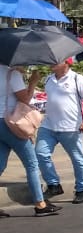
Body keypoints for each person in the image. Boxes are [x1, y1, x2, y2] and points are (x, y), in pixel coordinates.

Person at [0, 63, 62, 217]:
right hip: (11, 123)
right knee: (32, 163)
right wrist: (33, 81)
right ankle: (40, 204)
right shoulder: (12, 74)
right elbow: (25, 99)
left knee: (0, 164)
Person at [34, 57, 83, 204]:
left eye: (56, 61)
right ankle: (53, 184)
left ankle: (81, 189)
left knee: (77, 159)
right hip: (49, 126)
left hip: (71, 128)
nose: (51, 63)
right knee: (40, 153)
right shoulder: (49, 79)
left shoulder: (77, 79)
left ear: (66, 63)